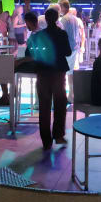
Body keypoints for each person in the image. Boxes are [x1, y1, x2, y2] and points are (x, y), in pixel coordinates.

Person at [26, 8, 71, 151]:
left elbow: (29, 53)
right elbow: (68, 52)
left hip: (43, 72)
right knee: (60, 104)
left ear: (45, 19)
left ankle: (46, 140)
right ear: (57, 19)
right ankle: (58, 135)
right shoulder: (62, 34)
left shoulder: (39, 35)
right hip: (58, 72)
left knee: (44, 106)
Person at [58, 0, 80, 75]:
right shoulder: (74, 18)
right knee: (70, 73)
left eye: (59, 7)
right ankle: (71, 84)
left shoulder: (64, 19)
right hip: (74, 47)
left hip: (67, 49)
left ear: (63, 7)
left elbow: (62, 35)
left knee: (63, 73)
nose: (59, 9)